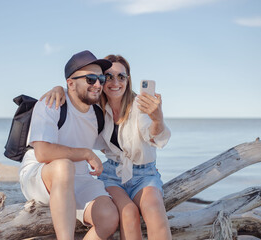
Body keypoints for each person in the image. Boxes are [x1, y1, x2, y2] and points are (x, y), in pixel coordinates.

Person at [43, 54, 172, 239]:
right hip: (112, 174)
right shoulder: (96, 108)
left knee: (154, 210)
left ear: (128, 80)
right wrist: (59, 89)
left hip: (145, 174)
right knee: (128, 213)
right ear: (101, 81)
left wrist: (157, 118)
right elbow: (76, 95)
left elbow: (153, 136)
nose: (115, 82)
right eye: (108, 76)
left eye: (121, 76)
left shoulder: (140, 106)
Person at [19, 50, 119, 240]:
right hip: (40, 174)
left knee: (109, 217)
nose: (98, 84)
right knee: (63, 166)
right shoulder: (52, 103)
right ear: (71, 83)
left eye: (101, 78)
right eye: (90, 79)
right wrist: (87, 154)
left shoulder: (98, 114)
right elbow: (42, 152)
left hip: (80, 177)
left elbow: (116, 147)